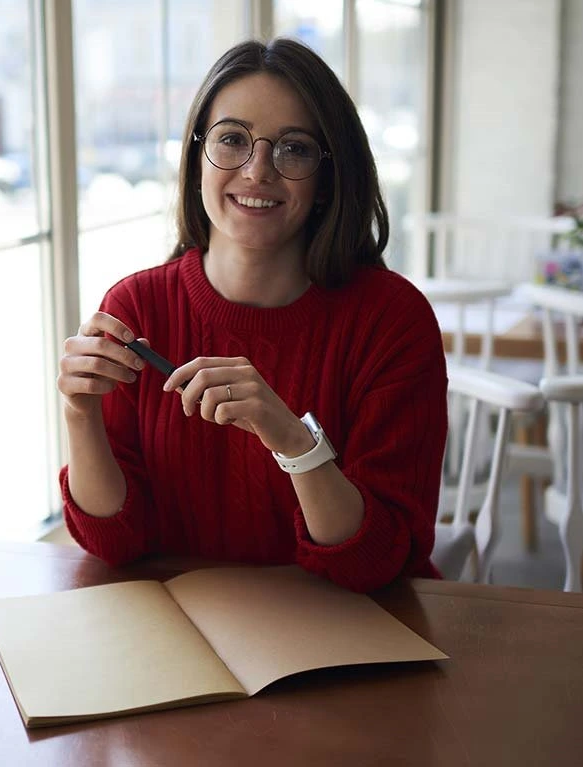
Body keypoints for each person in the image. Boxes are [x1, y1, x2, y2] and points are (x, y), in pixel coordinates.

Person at [57, 38, 448, 593]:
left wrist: (292, 439)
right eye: (232, 140)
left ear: (327, 178)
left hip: (354, 633)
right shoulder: (136, 309)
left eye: (293, 149)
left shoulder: (392, 320)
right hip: (188, 635)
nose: (257, 170)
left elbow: (378, 561)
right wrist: (79, 414)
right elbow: (115, 543)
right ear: (197, 160)